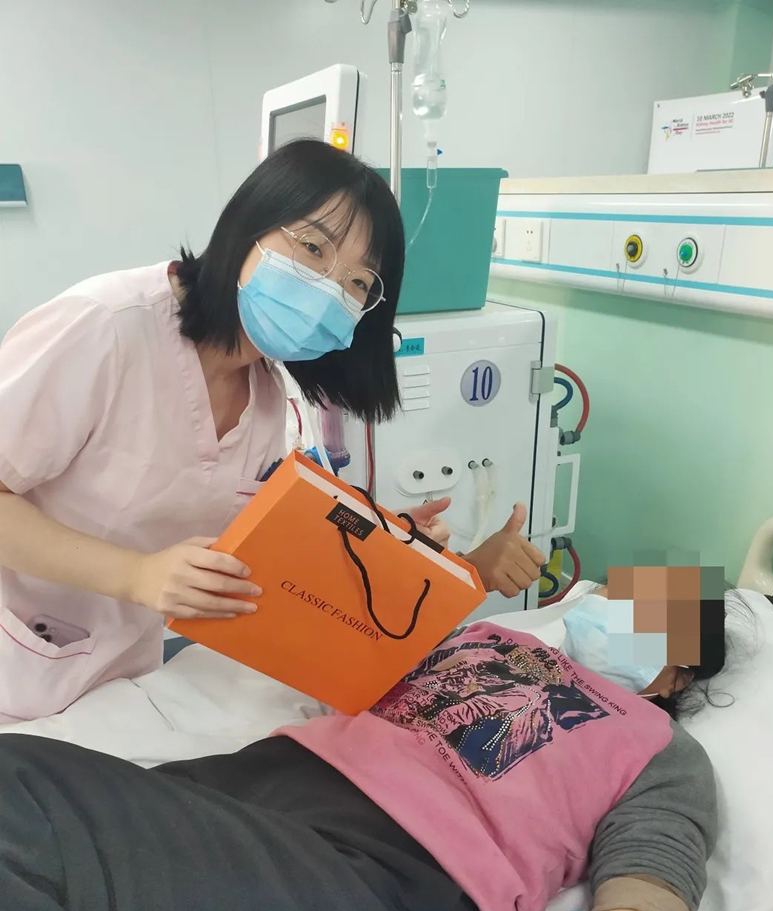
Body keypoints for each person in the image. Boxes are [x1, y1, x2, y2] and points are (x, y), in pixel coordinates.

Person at [0, 565, 730, 911]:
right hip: (232, 806)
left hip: (362, 893)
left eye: (645, 607)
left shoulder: (661, 747)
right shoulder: (489, 640)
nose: (609, 603)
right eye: (616, 590)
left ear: (677, 670)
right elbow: (342, 659)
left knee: (15, 794)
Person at [0, 138, 543, 722]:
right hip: (16, 667)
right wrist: (135, 575)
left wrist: (411, 551)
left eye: (358, 283)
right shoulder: (104, 326)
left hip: (122, 682)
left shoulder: (266, 392)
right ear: (248, 226)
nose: (328, 288)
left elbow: (267, 550)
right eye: (312, 247)